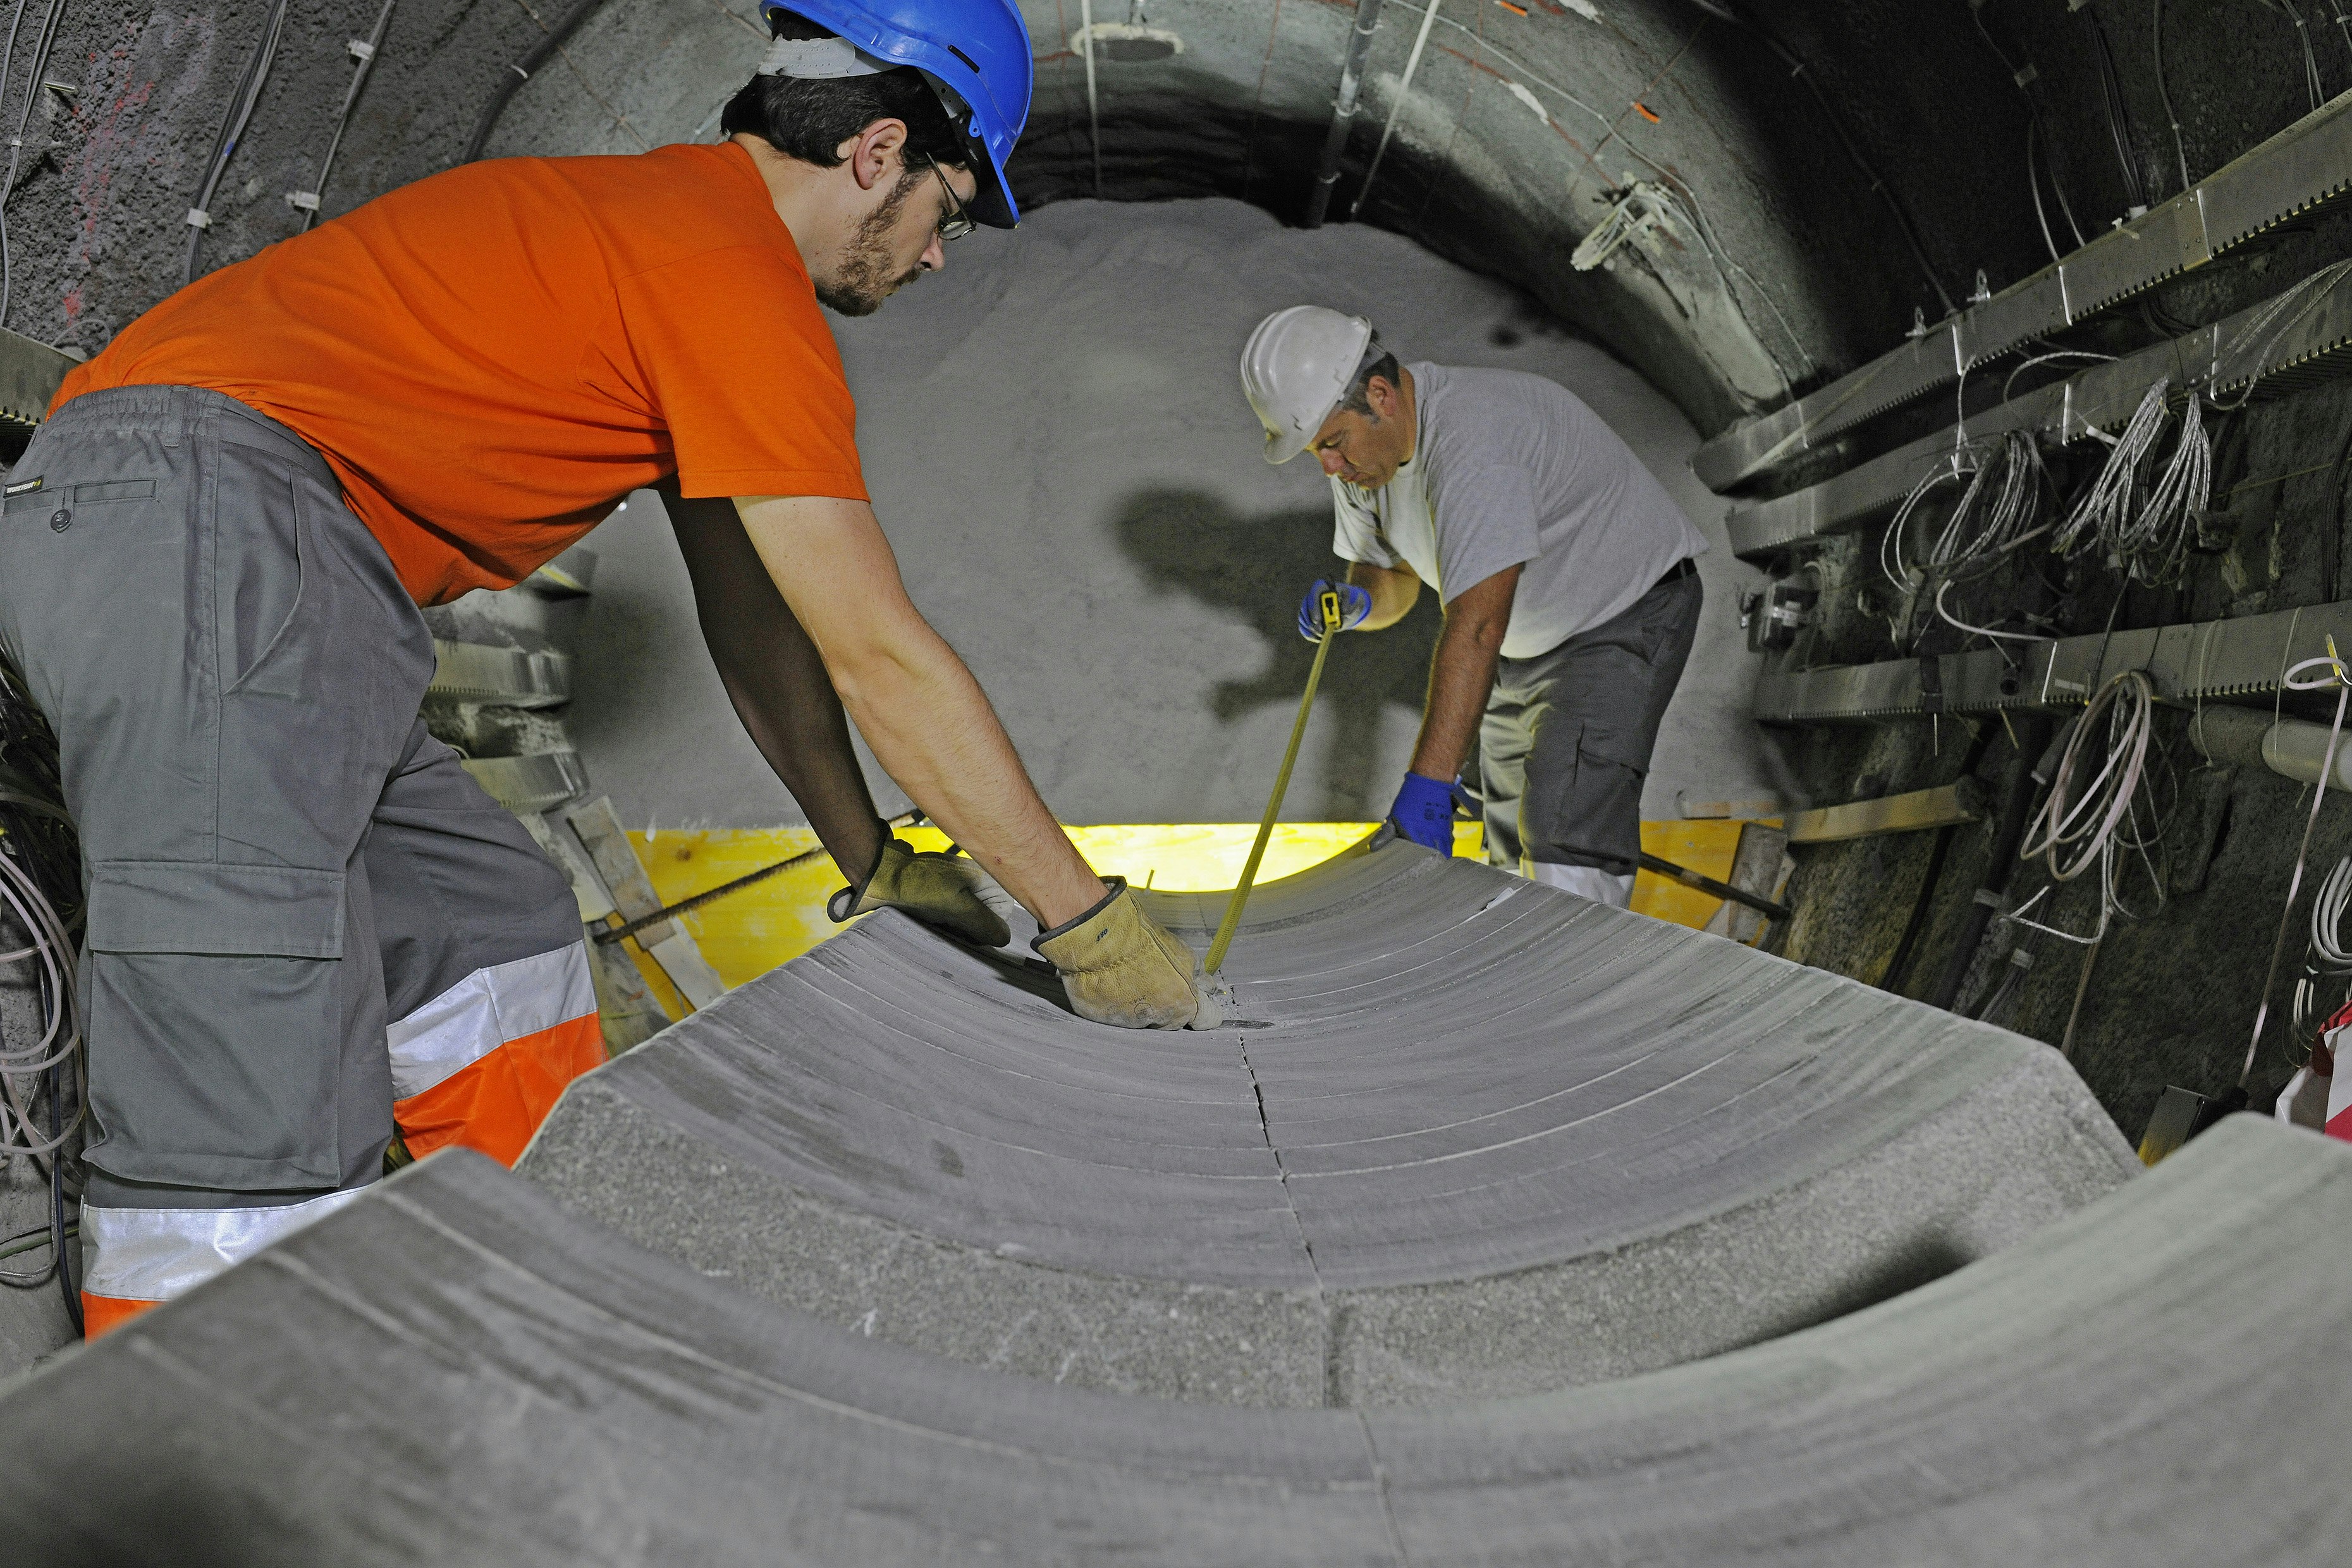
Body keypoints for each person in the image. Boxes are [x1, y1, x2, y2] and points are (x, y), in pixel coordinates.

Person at [0, 0, 1211, 1338]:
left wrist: (869, 856)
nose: (936, 257)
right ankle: (204, 1456)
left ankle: (526, 1301)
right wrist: (1082, 920)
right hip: (205, 532)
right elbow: (880, 653)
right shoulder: (728, 275)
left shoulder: (671, 238)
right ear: (878, 153)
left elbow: (767, 636)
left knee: (491, 927)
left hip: (284, 577)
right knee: (245, 1082)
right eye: (953, 207)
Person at [1240, 305, 1708, 907]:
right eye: (1316, 453)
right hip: (1528, 638)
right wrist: (1358, 601)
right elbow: (1394, 579)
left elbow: (1478, 625)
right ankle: (1517, 975)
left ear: (1379, 395)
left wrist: (1427, 784)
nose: (1329, 466)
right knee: (1512, 843)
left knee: (1563, 828)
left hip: (1622, 611)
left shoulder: (1474, 438)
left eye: (1332, 444)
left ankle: (1575, 985)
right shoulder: (1364, 462)